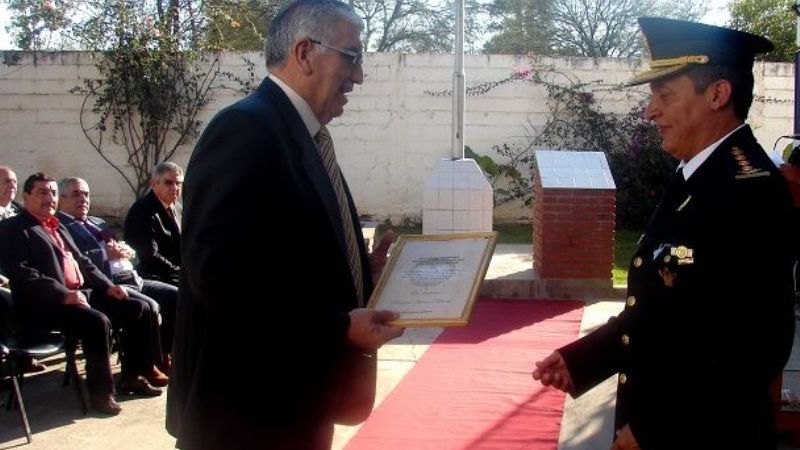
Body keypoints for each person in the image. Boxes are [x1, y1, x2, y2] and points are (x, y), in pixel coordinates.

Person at [532, 17, 797, 449]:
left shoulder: (749, 192)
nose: (651, 111)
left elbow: (755, 344)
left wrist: (655, 428)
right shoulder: (698, 175)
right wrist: (585, 359)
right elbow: (668, 311)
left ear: (718, 94)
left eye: (665, 95)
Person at [166, 1, 404, 449]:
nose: (358, 76)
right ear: (304, 53)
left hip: (295, 404)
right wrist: (337, 327)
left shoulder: (298, 134)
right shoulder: (245, 130)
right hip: (248, 417)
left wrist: (358, 274)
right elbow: (219, 281)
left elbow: (283, 256)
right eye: (351, 57)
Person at [0, 173, 167, 416]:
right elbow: (22, 272)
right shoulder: (12, 228)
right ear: (26, 197)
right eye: (42, 193)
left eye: (53, 193)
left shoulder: (56, 225)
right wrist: (62, 294)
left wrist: (108, 286)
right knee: (97, 321)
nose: (50, 198)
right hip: (44, 305)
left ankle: (133, 376)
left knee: (135, 307)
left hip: (77, 294)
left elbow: (84, 262)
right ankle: (101, 393)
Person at [57, 177, 176, 373]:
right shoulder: (61, 227)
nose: (83, 199)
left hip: (131, 276)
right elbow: (70, 260)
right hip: (104, 284)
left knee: (175, 296)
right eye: (76, 194)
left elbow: (119, 248)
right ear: (61, 199)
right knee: (145, 307)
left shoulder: (98, 222)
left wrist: (127, 251)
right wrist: (104, 255)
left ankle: (163, 353)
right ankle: (143, 369)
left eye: (86, 194)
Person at [0, 165, 46, 373]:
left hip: (18, 271)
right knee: (7, 301)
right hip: (2, 277)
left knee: (36, 290)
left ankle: (25, 355)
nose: (12, 185)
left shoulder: (19, 211)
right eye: (5, 181)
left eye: (14, 181)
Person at [124, 162, 183, 285]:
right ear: (154, 184)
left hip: (178, 273)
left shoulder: (178, 208)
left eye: (178, 183)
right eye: (168, 182)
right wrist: (180, 272)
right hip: (153, 276)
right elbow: (150, 255)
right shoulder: (142, 210)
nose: (175, 188)